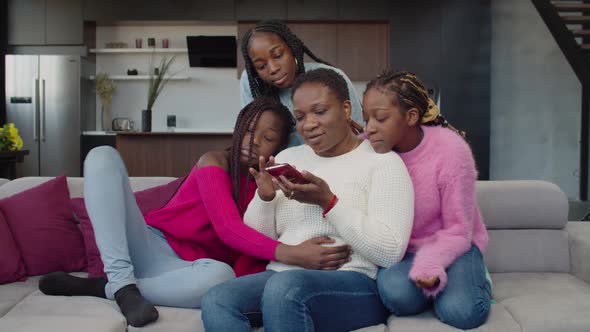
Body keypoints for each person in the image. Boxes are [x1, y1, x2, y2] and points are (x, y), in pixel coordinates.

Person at [38, 98, 352, 327]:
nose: (253, 141)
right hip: (151, 246)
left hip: (192, 272)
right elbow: (229, 230)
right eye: (248, 130)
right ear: (237, 129)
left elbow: (245, 262)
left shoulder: (271, 187)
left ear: (280, 147)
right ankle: (121, 281)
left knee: (221, 278)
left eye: (267, 138)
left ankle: (112, 287)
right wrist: (292, 254)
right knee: (101, 155)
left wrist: (269, 199)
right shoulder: (213, 161)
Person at [201, 68, 414, 332]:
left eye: (320, 112)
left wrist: (329, 203)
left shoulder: (383, 162)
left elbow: (391, 252)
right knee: (218, 299)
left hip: (354, 282)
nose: (309, 124)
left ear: (346, 109)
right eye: (300, 117)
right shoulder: (291, 157)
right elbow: (260, 236)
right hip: (281, 275)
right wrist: (264, 197)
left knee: (286, 289)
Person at [362, 70, 491, 329]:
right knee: (398, 296)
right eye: (366, 119)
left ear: (411, 117)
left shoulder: (451, 151)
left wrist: (430, 266)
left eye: (381, 118)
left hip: (456, 245)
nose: (370, 128)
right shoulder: (368, 150)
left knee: (463, 312)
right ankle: (434, 288)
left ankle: (473, 280)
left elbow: (458, 230)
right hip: (404, 253)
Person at [240, 19, 363, 146]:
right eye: (261, 66)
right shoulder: (253, 83)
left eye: (278, 55)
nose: (273, 68)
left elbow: (359, 131)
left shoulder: (329, 77)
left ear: (292, 48)